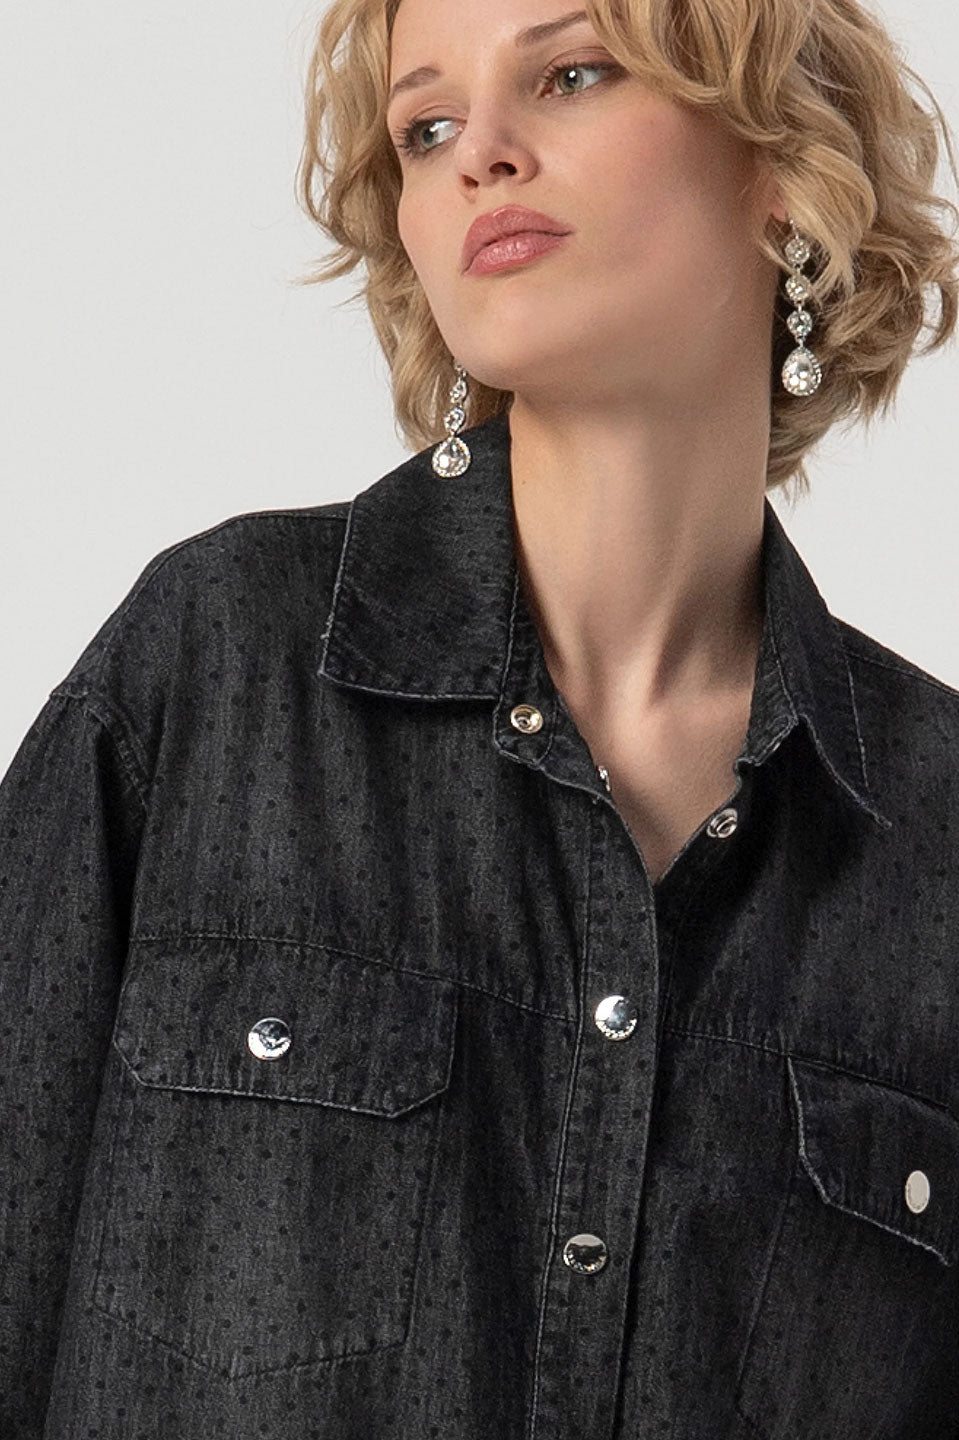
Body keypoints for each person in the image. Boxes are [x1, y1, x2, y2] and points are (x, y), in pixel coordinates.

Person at [2, 0, 958, 1435]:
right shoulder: (214, 672)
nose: (479, 156)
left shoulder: (935, 837)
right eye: (426, 125)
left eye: (570, 74)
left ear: (783, 163)